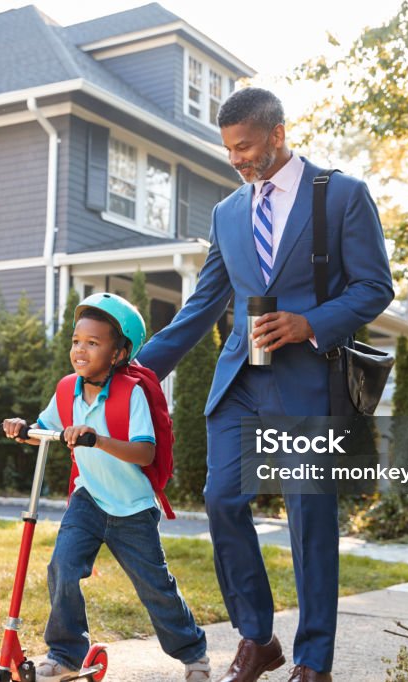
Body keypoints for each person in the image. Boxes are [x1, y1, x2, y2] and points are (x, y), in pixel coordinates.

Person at [135, 88, 394, 682]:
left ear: (277, 134)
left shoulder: (342, 196)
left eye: (245, 146)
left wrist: (311, 324)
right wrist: (138, 371)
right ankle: (257, 639)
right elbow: (202, 305)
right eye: (228, 150)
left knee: (309, 517)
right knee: (223, 501)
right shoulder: (228, 212)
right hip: (240, 383)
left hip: (308, 383)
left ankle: (314, 661)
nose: (237, 160)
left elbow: (375, 287)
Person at [2, 292, 210, 682]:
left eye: (93, 343)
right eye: (76, 341)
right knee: (62, 567)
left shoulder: (132, 394)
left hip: (132, 509)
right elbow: (46, 431)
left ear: (118, 354)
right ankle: (65, 653)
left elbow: (145, 453)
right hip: (89, 499)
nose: (80, 350)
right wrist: (21, 429)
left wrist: (96, 439)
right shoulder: (67, 389)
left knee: (155, 588)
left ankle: (194, 653)